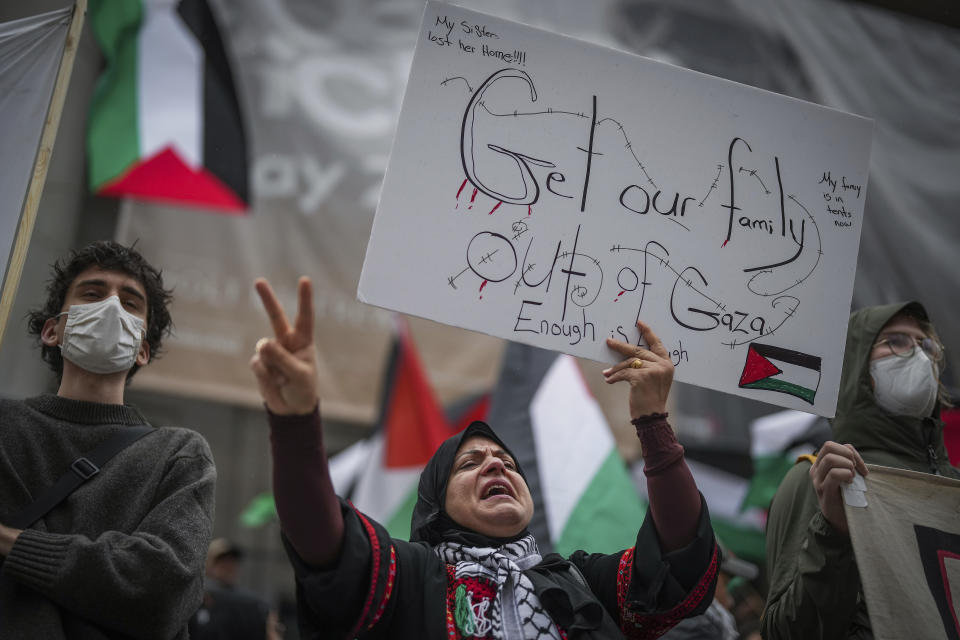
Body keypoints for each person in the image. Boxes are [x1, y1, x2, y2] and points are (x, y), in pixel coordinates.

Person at [250, 276, 720, 639]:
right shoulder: (409, 578)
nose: (497, 464)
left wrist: (654, 421)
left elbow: (678, 559)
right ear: (436, 503)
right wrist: (294, 423)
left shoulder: (582, 580)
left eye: (509, 463)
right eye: (470, 463)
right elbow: (320, 540)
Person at [0, 241, 216, 638]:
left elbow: (164, 591)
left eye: (130, 302)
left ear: (142, 351)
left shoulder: (178, 454)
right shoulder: (5, 426)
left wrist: (13, 544)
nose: (112, 306)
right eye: (93, 293)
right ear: (53, 330)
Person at [762, 301, 957, 639]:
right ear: (855, 365)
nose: (919, 356)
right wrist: (832, 533)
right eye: (896, 341)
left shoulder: (952, 485)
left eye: (927, 346)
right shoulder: (820, 478)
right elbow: (784, 632)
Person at [190, 538, 284, 640]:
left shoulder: (252, 605)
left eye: (232, 561)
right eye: (222, 561)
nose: (229, 566)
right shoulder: (194, 599)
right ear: (208, 563)